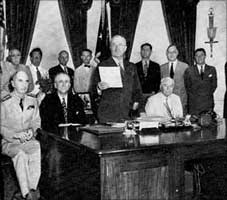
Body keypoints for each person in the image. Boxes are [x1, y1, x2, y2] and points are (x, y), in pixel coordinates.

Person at [1, 70, 41, 200]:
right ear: (12, 83)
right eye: (20, 80)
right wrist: (16, 135)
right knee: (21, 155)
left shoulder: (33, 100)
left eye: (26, 81)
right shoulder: (4, 102)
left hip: (27, 141)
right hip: (9, 142)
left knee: (36, 146)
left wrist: (32, 131)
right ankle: (26, 194)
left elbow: (36, 121)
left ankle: (32, 188)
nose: (24, 84)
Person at [92, 35, 143, 123]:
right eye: (114, 45)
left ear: (125, 48)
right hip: (108, 115)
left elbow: (137, 89)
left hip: (128, 114)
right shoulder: (102, 65)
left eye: (120, 45)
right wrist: (99, 88)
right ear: (110, 47)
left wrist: (136, 103)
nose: (117, 48)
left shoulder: (132, 67)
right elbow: (93, 89)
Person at [184, 48, 217, 116]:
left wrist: (204, 95)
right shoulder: (189, 70)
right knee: (194, 125)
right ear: (194, 57)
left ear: (205, 56)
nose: (199, 57)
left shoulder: (212, 69)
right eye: (197, 55)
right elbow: (188, 87)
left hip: (208, 104)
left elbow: (214, 85)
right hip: (194, 105)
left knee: (209, 125)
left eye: (201, 55)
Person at [161, 44, 188, 114]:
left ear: (177, 53)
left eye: (174, 52)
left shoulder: (185, 66)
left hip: (181, 101)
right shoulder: (162, 68)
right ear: (166, 54)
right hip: (166, 103)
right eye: (169, 52)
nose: (171, 54)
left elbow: (189, 86)